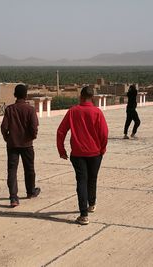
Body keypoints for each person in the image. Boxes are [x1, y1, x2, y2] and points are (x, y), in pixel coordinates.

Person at [57, 86, 108, 225]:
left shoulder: (73, 111)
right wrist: (102, 149)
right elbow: (104, 133)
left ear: (81, 96)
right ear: (92, 98)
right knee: (92, 178)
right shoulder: (97, 112)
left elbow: (61, 131)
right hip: (95, 153)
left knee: (81, 181)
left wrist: (62, 150)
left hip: (78, 154)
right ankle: (91, 204)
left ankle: (83, 215)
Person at [1, 84, 41, 208]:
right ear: (26, 95)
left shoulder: (9, 109)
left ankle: (13, 197)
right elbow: (34, 127)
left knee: (12, 171)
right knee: (29, 169)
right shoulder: (30, 109)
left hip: (12, 144)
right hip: (27, 145)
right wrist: (32, 137)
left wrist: (7, 138)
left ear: (15, 95)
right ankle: (30, 192)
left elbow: (3, 127)